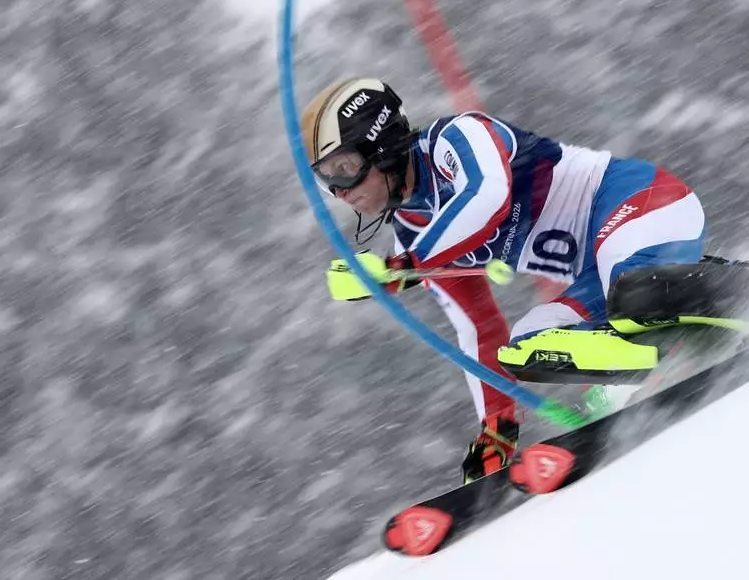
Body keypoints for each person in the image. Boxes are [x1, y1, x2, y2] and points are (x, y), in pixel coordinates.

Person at [304, 77, 712, 483]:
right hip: (598, 279)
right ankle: (649, 371)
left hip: (645, 205)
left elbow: (487, 196)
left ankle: (687, 331)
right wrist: (497, 428)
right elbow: (478, 328)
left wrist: (404, 266)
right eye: (327, 180)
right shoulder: (414, 233)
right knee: (528, 345)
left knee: (632, 296)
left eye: (346, 169)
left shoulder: (457, 137)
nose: (340, 192)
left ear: (382, 146)